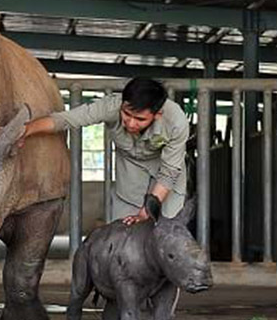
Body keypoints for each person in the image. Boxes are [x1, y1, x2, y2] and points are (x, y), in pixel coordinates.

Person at [19, 77, 189, 225]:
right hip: (130, 171)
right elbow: (68, 119)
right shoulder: (111, 106)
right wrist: (25, 130)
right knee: (124, 229)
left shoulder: (176, 121)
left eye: (140, 119)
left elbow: (169, 172)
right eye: (126, 114)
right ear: (122, 103)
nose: (130, 123)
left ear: (157, 115)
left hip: (166, 175)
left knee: (166, 231)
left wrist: (146, 212)